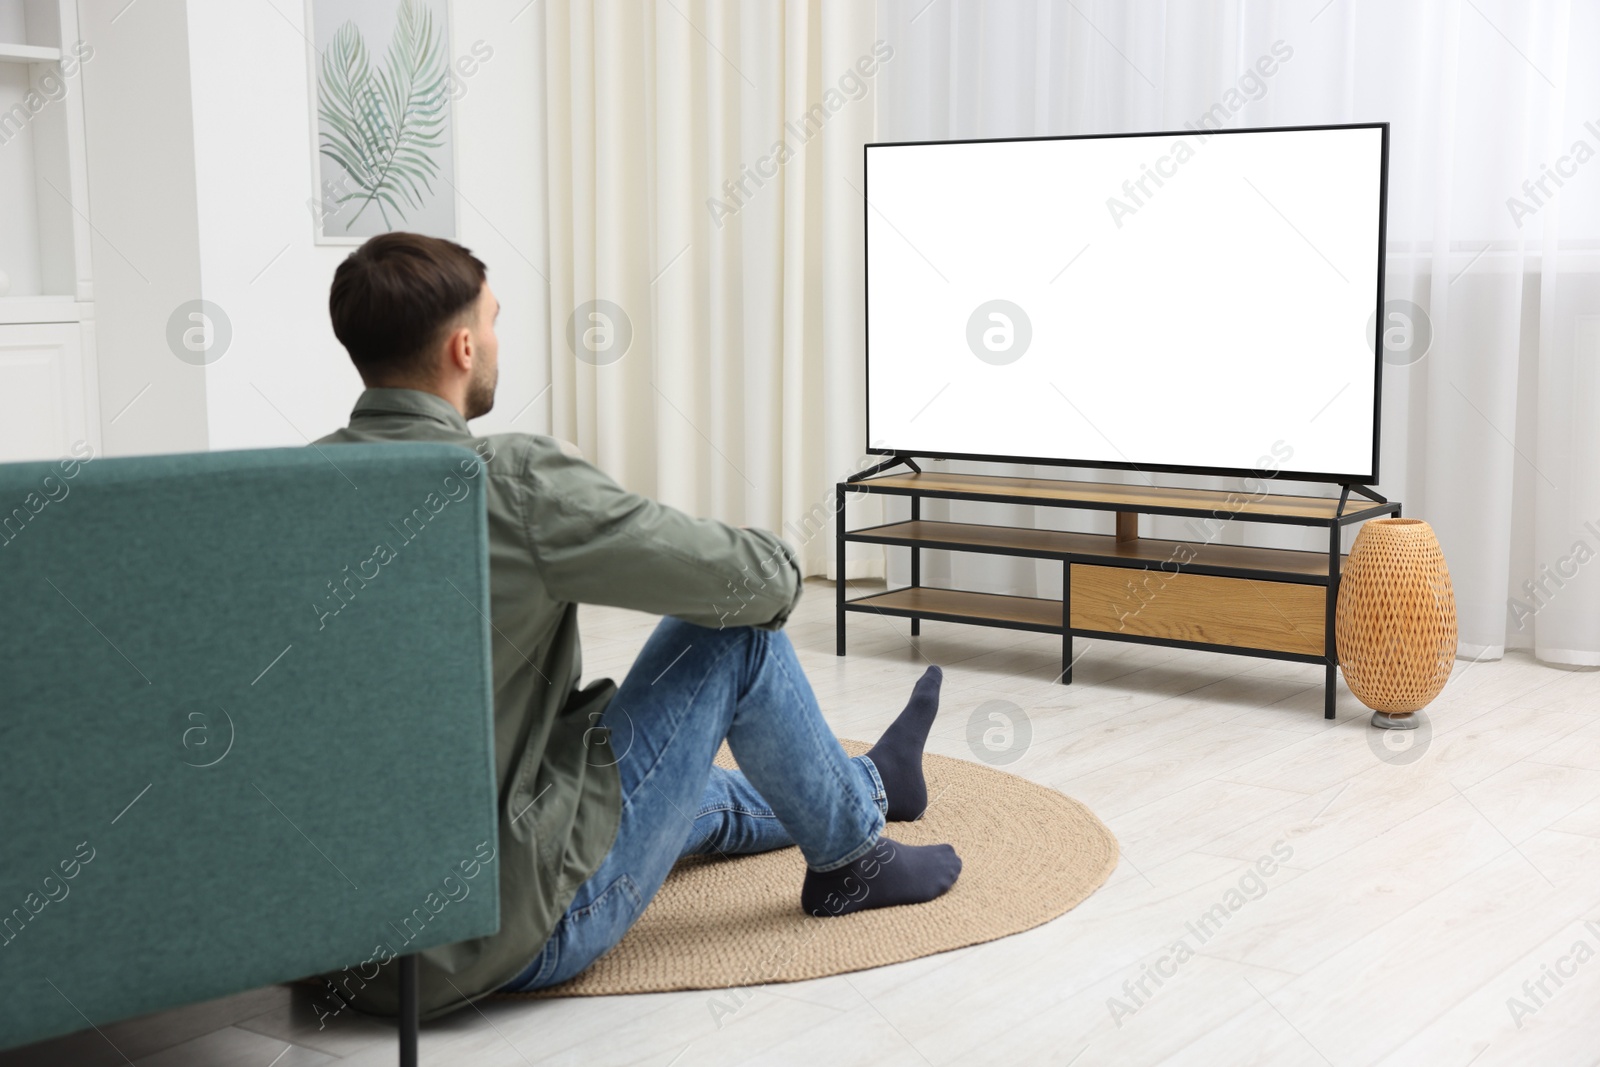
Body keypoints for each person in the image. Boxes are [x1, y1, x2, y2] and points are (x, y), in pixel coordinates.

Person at [312, 232, 961, 1019]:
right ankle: (852, 857)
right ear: (460, 346)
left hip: (333, 947)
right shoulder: (508, 482)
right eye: (493, 323)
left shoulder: (287, 492)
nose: (494, 341)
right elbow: (741, 583)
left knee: (681, 793)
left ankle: (873, 784)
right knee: (734, 636)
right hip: (504, 933)